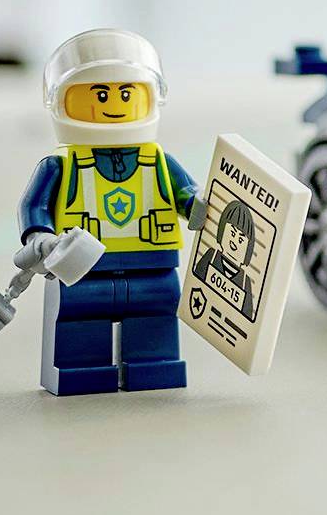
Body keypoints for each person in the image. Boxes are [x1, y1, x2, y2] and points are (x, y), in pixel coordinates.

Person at [19, 27, 197, 395]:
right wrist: (38, 235)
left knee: (154, 319)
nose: (114, 104)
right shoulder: (61, 165)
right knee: (81, 320)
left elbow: (187, 195)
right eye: (99, 94)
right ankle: (82, 370)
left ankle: (153, 366)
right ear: (64, 101)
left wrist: (202, 206)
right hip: (81, 268)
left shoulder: (158, 161)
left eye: (126, 93)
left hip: (153, 265)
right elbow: (34, 204)